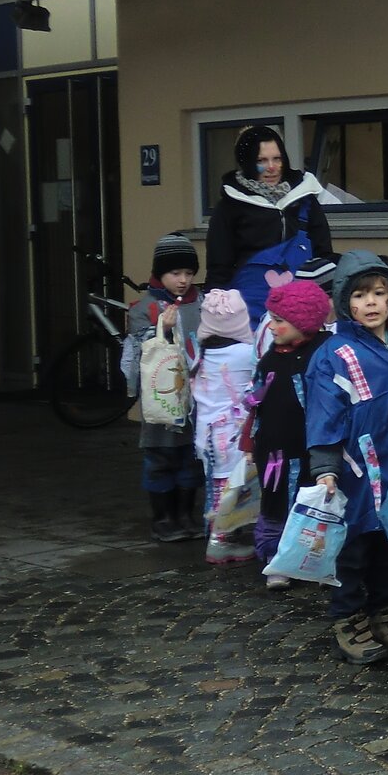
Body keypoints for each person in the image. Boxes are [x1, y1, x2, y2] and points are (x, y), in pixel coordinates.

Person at [307, 251, 388, 666]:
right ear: (346, 303)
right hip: (356, 471)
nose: (371, 302)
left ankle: (384, 608)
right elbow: (323, 412)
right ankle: (348, 616)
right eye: (360, 295)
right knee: (352, 546)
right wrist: (325, 467)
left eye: (379, 293)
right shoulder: (335, 354)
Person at [205, 123, 334, 326]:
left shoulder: (305, 197)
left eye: (277, 159)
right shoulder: (229, 206)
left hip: (303, 307)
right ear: (246, 162)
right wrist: (216, 314)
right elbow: (219, 267)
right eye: (261, 161)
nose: (272, 167)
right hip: (249, 311)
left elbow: (324, 254)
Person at [250, 278, 330, 590]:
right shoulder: (271, 357)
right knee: (275, 501)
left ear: (303, 322)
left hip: (311, 445)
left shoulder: (321, 355)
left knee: (314, 503)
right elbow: (257, 400)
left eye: (280, 320)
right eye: (272, 318)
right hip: (273, 448)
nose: (271, 326)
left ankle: (317, 560)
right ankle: (276, 559)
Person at [123, 233, 203, 543]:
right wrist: (163, 330)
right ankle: (162, 517)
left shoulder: (202, 304)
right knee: (159, 457)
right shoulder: (144, 307)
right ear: (160, 273)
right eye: (175, 273)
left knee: (190, 456)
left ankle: (185, 514)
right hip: (161, 398)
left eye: (188, 273)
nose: (183, 280)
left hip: (196, 396)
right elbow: (139, 351)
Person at [193, 289, 259, 564]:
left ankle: (216, 532)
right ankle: (220, 542)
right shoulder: (245, 354)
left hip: (205, 435)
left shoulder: (202, 353)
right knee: (229, 489)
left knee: (215, 486)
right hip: (231, 436)